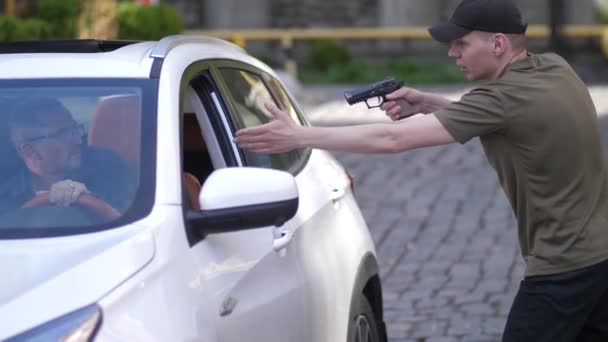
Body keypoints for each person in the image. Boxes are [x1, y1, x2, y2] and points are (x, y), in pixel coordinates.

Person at [234, 0, 608, 340]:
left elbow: (392, 140)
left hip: (563, 268)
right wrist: (429, 103)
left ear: (497, 45)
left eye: (461, 43)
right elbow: (509, 118)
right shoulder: (554, 68)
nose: (452, 52)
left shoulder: (500, 99)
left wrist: (299, 135)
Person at [0, 97, 136, 222]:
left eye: (75, 129)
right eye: (64, 133)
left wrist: (88, 198)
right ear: (29, 151)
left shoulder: (107, 167)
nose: (78, 140)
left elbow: (133, 224)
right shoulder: (6, 197)